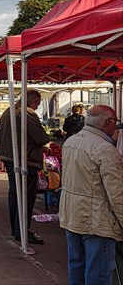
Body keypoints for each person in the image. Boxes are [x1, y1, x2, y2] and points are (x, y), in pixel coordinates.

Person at [59, 105, 122, 284]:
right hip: (97, 222)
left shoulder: (71, 141)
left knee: (77, 266)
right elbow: (117, 194)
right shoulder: (105, 149)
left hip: (73, 216)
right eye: (115, 122)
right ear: (108, 123)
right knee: (98, 274)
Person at [0, 90, 50, 244]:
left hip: (10, 157)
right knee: (26, 196)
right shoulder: (26, 113)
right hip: (25, 160)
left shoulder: (8, 111)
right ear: (33, 102)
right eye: (38, 104)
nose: (37, 107)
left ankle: (17, 229)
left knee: (15, 193)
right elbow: (41, 138)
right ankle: (21, 231)